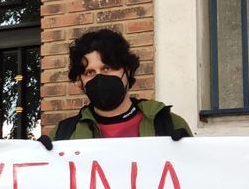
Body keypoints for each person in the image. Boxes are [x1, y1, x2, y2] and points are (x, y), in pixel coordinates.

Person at [52, 29, 191, 140]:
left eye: (107, 68)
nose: (99, 77)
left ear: (127, 71)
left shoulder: (168, 124)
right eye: (90, 72)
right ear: (80, 82)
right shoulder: (63, 134)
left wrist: (186, 154)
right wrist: (39, 157)